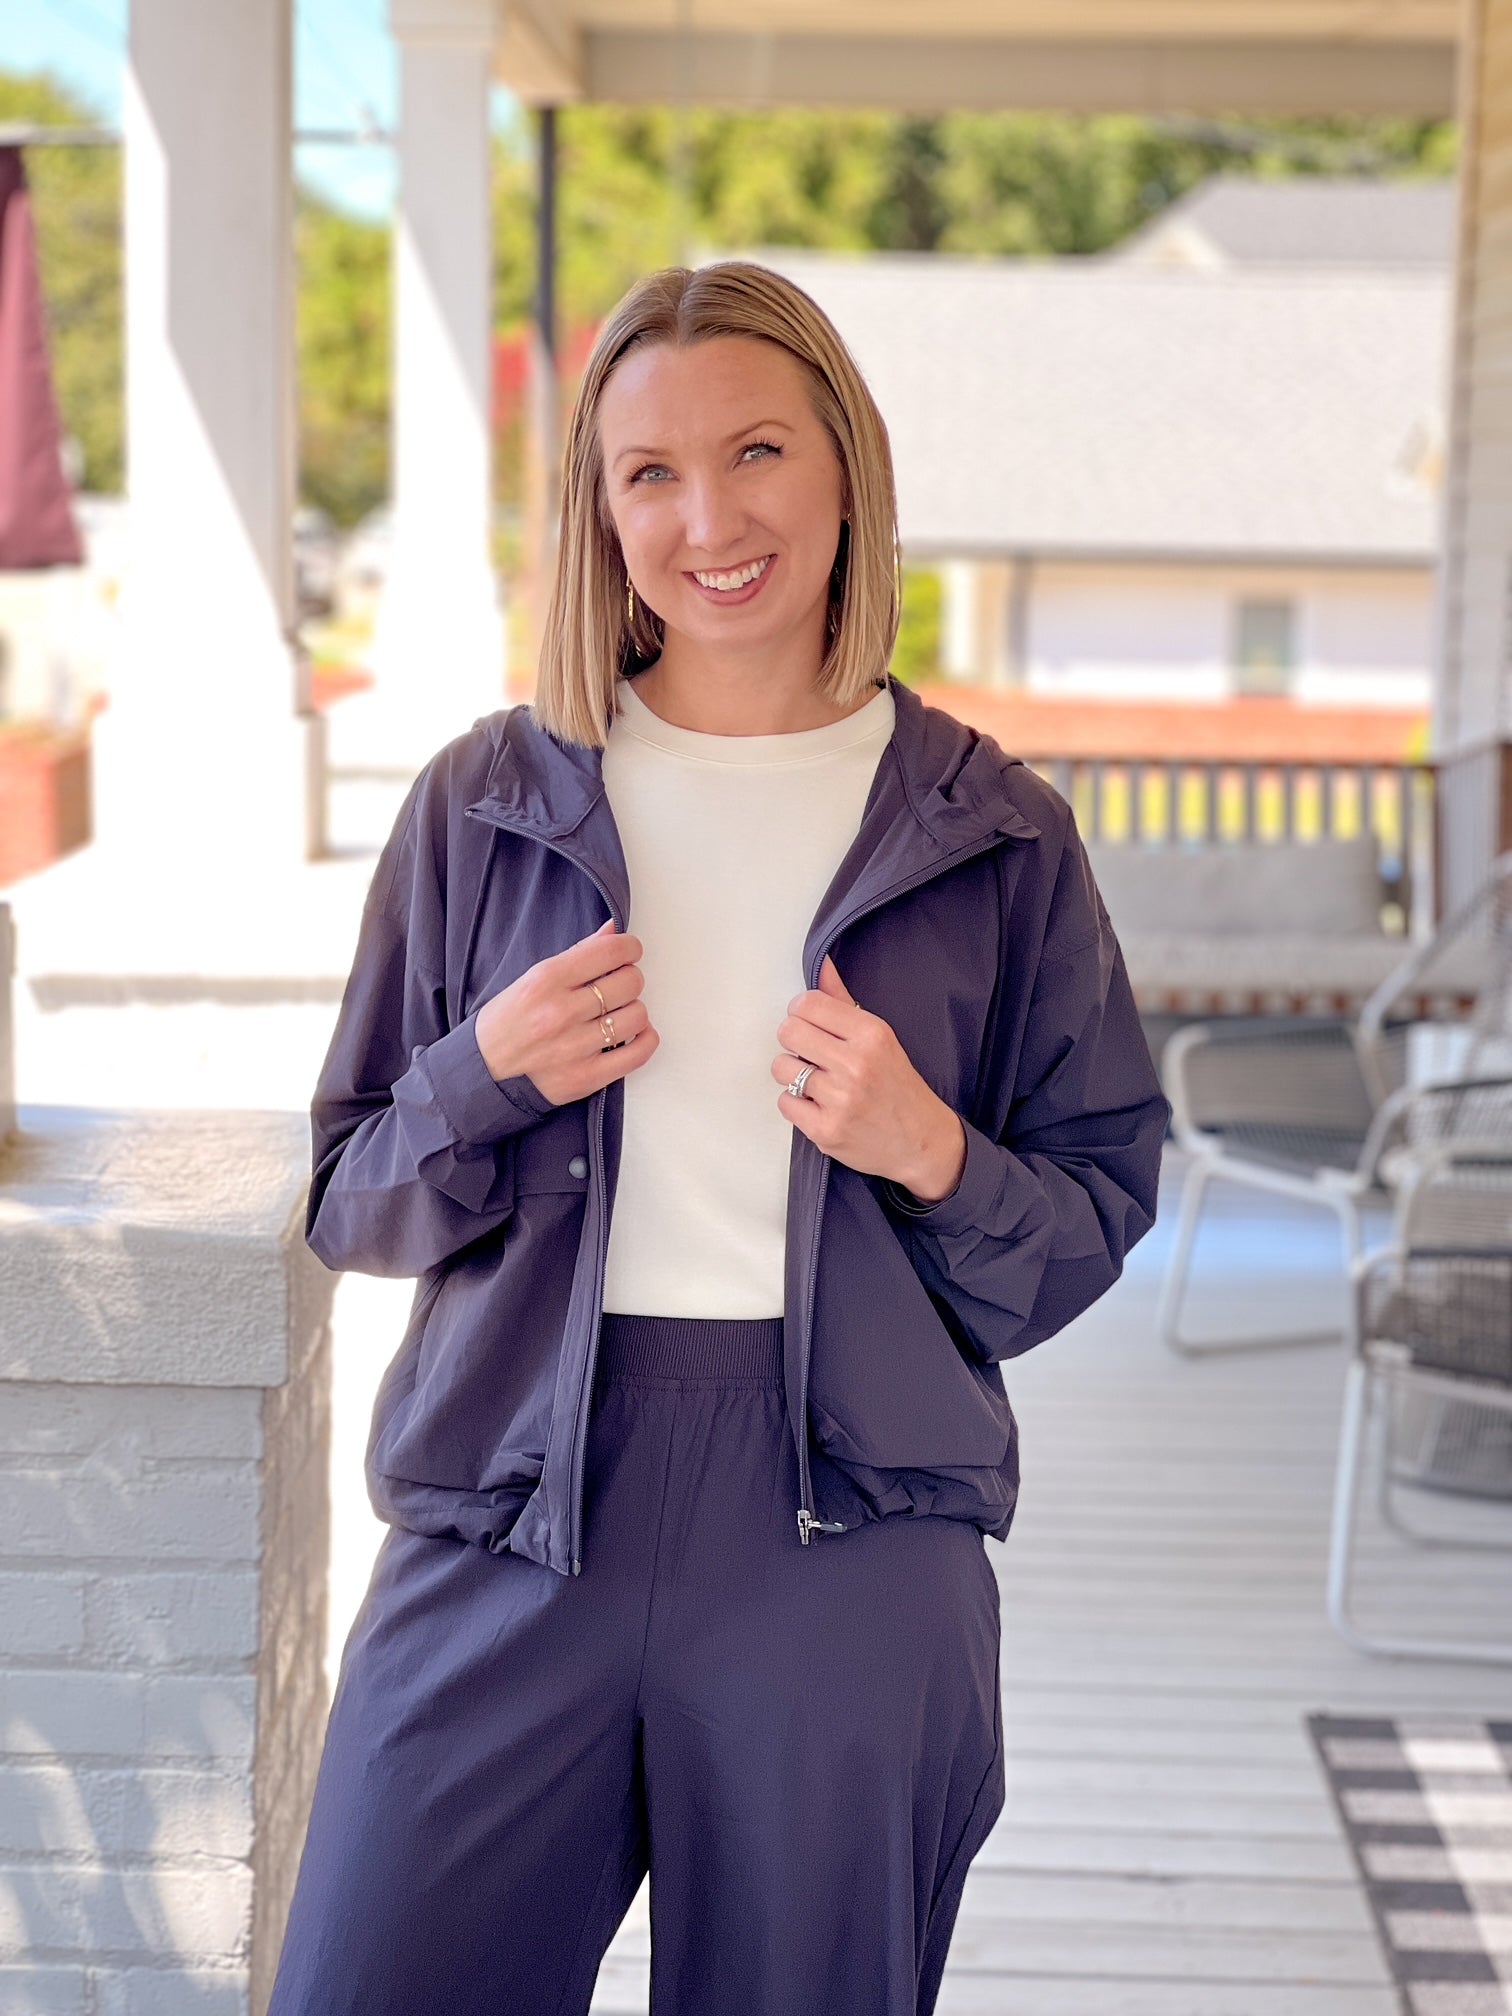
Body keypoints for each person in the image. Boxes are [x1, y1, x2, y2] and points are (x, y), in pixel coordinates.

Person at [267, 259, 1170, 2016]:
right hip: (512, 1508)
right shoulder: (489, 801)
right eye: (650, 474)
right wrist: (478, 1073)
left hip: (851, 1539)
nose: (710, 519)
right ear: (602, 515)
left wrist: (930, 1148)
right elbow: (348, 1201)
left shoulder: (995, 833)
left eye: (756, 452)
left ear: (845, 465)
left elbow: (1089, 1222)